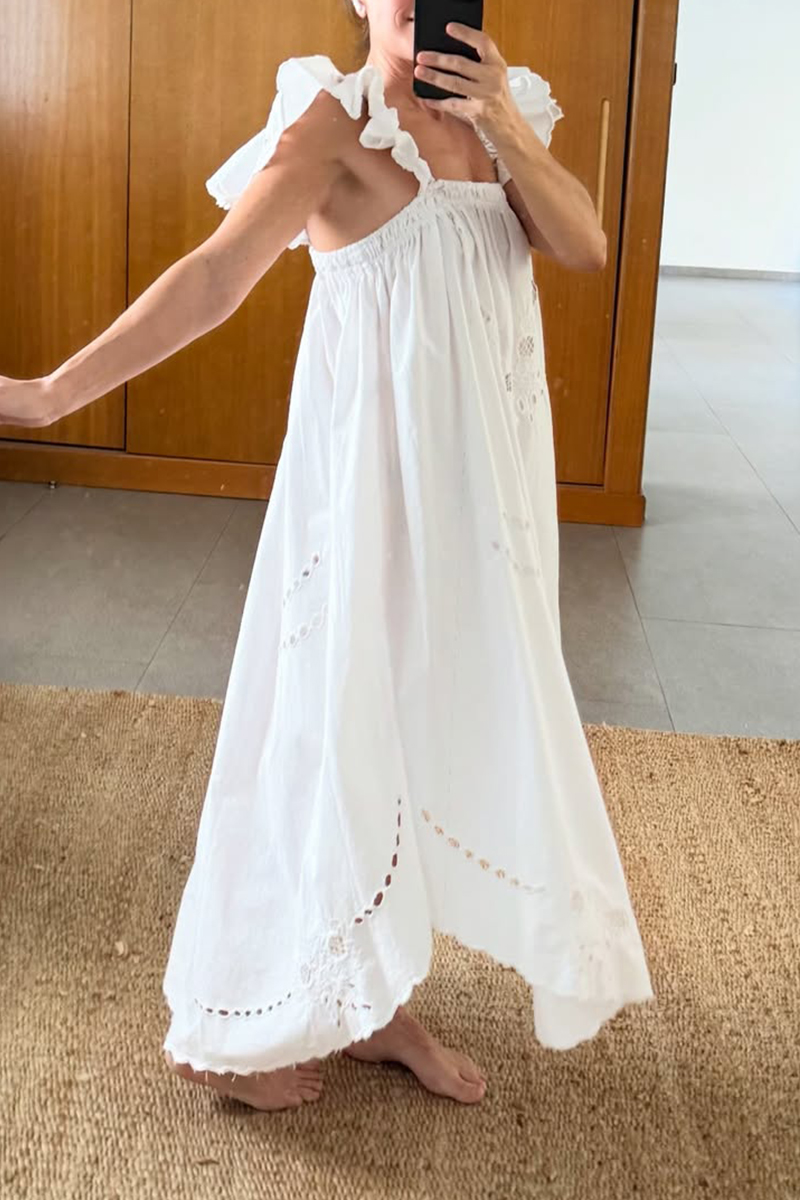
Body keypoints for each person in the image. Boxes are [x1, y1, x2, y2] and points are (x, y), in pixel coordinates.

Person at [0, 0, 656, 1113]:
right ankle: (231, 1020)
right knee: (327, 723)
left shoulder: (507, 115)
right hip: (366, 494)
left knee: (426, 718)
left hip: (483, 497)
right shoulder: (331, 124)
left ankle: (375, 1001)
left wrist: (502, 117)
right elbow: (216, 277)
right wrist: (50, 394)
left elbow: (583, 244)